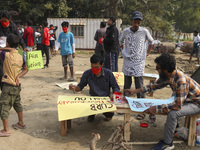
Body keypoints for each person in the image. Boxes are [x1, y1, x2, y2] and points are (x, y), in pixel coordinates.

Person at [124, 53, 200, 150]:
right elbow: (153, 86)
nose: (156, 70)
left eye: (158, 68)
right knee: (171, 101)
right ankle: (174, 127)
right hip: (187, 100)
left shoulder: (181, 80)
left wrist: (156, 108)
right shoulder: (169, 75)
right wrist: (134, 91)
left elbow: (177, 106)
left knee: (173, 113)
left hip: (196, 104)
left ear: (165, 69)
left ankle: (168, 143)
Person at [119, 11, 154, 121]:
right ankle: (125, 106)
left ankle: (141, 110)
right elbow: (120, 41)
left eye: (139, 20)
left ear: (141, 21)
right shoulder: (125, 31)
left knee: (140, 86)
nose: (136, 22)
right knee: (127, 85)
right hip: (128, 62)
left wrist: (147, 53)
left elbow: (152, 42)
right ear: (131, 20)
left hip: (139, 62)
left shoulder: (144, 31)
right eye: (135, 20)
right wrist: (124, 50)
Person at [69, 54, 120, 121]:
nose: (94, 69)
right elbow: (80, 87)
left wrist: (114, 94)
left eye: (97, 67)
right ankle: (91, 114)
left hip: (105, 99)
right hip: (92, 99)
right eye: (92, 67)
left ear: (102, 65)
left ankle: (107, 113)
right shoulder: (87, 73)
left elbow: (115, 87)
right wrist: (74, 88)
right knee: (88, 115)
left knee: (109, 116)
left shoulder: (108, 73)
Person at [0, 34, 29, 137]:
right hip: (17, 85)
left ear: (7, 43)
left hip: (8, 85)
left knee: (4, 107)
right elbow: (26, 69)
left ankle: (6, 130)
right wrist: (18, 76)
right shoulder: (20, 56)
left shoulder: (5, 54)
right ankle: (21, 122)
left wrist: (5, 47)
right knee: (17, 104)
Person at [0, 10, 27, 89]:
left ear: (9, 20)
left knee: (10, 72)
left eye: (5, 21)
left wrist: (24, 46)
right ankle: (3, 89)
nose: (3, 22)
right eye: (1, 20)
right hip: (1, 53)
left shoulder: (13, 27)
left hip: (10, 52)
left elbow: (19, 37)